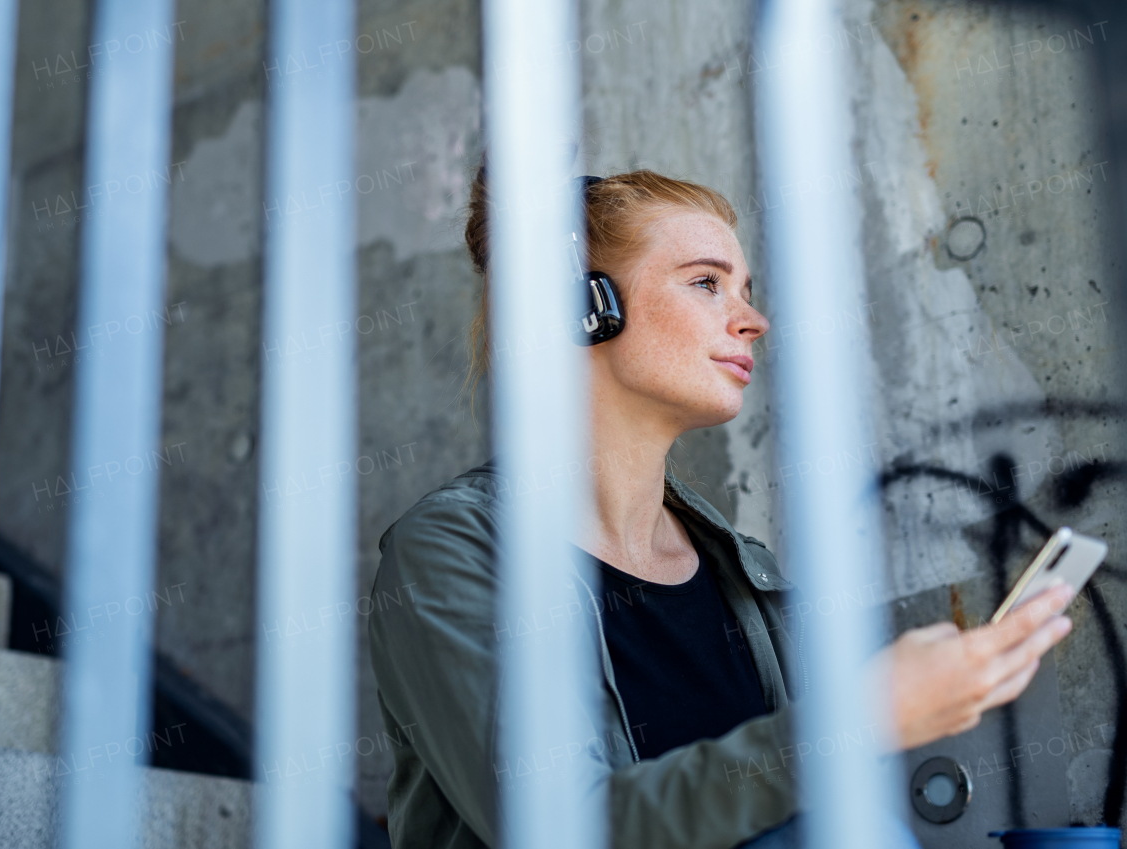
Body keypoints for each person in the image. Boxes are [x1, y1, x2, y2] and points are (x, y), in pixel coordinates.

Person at [366, 168, 1074, 849]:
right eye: (707, 282)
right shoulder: (451, 549)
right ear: (583, 308)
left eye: (745, 288)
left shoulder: (744, 571)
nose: (754, 320)